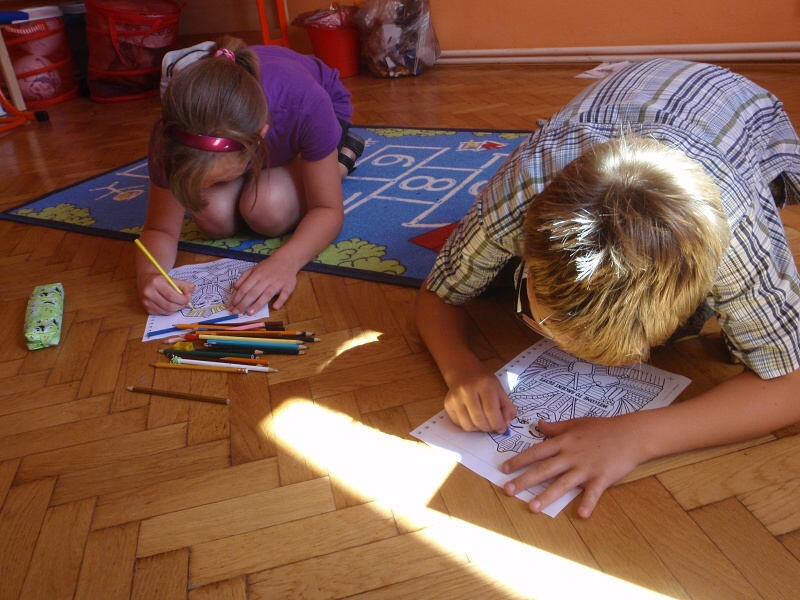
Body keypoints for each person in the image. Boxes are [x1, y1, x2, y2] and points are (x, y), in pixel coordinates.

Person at [415, 58, 800, 518]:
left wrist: (637, 437)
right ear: (527, 254)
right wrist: (459, 368)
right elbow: (438, 291)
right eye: (540, 319)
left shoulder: (737, 235)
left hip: (740, 110)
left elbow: (791, 382)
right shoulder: (519, 190)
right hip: (623, 95)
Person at [137, 37, 364, 316]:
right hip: (253, 124)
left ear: (259, 139)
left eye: (215, 179)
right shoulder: (171, 133)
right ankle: (252, 179)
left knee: (267, 207)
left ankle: (341, 159)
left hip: (319, 110)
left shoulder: (304, 102)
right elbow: (159, 229)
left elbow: (327, 210)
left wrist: (285, 262)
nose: (203, 188)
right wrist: (149, 275)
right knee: (213, 214)